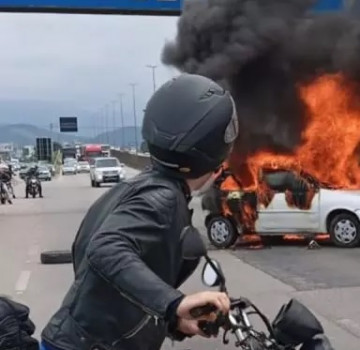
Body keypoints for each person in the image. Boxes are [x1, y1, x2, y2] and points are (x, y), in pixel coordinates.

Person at [40, 74, 239, 350]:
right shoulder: (163, 198)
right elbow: (104, 249)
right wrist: (174, 303)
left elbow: (88, 258)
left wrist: (174, 321)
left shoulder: (133, 187)